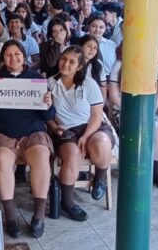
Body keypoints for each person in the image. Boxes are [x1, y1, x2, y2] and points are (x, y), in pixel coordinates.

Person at [0, 41, 54, 238]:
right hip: (3, 135)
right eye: (8, 54)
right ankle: (10, 215)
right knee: (0, 159)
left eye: (17, 54)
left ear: (24, 56)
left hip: (32, 135)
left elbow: (48, 116)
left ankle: (39, 215)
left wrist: (48, 104)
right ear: (2, 58)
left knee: (42, 156)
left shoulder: (37, 79)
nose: (13, 58)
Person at [47, 46, 114, 222]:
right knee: (72, 154)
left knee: (101, 143)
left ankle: (100, 179)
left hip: (91, 126)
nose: (66, 64)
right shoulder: (50, 83)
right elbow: (44, 114)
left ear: (79, 66)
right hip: (65, 130)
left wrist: (85, 136)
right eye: (63, 59)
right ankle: (67, 203)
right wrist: (54, 127)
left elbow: (97, 115)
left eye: (72, 61)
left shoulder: (88, 83)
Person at [108, 53, 158, 190]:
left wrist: (151, 110)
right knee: (133, 129)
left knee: (157, 130)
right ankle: (133, 169)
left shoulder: (153, 66)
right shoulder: (118, 65)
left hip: (147, 109)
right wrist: (130, 110)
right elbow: (113, 95)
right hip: (123, 109)